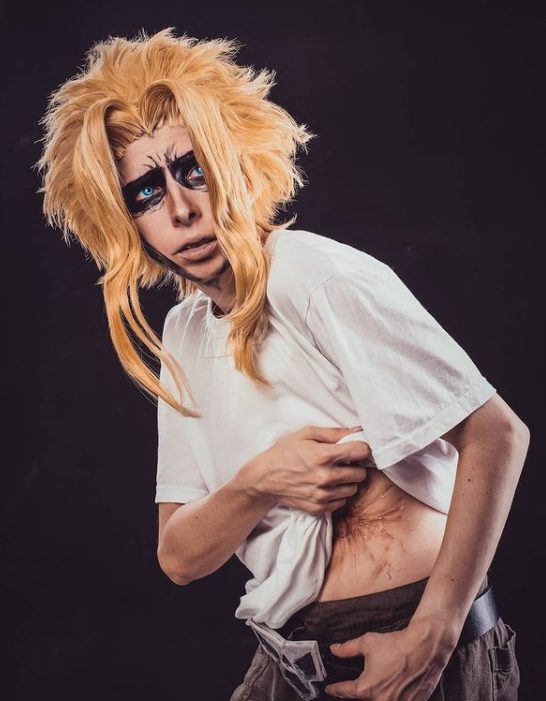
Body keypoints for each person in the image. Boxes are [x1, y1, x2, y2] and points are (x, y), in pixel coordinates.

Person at [35, 27, 529, 701]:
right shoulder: (183, 333)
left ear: (235, 162)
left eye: (193, 169)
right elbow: (180, 556)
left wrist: (434, 631)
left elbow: (498, 432)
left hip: (404, 640)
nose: (181, 209)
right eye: (145, 192)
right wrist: (261, 481)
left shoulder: (309, 273)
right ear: (124, 221)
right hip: (288, 663)